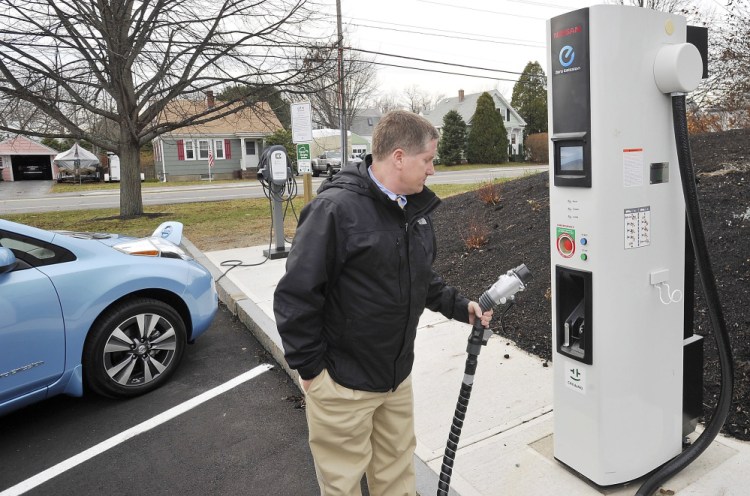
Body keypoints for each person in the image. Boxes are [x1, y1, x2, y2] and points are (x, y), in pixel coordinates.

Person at [273, 110, 493, 496]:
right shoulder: (335, 210)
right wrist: (311, 373)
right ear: (398, 157)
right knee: (342, 485)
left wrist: (462, 306)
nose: (432, 171)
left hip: (395, 377)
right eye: (428, 160)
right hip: (343, 384)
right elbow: (296, 294)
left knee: (396, 476)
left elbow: (419, 277)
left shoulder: (412, 210)